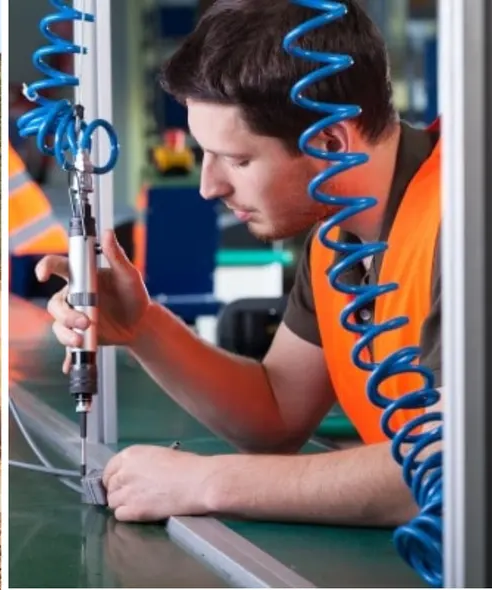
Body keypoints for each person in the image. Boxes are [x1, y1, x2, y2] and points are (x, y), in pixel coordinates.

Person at [36, 0, 442, 527]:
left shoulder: (467, 221)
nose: (209, 186)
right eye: (206, 154)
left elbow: (451, 467)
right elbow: (278, 413)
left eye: (238, 159)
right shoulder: (338, 241)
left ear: (332, 142)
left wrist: (205, 482)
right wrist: (143, 327)